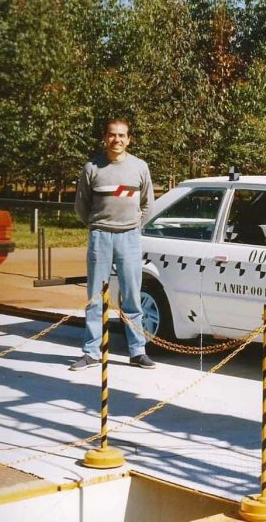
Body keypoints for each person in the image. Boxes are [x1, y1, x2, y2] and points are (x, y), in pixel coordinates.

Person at [71, 117, 156, 370]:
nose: (116, 139)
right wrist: (97, 226)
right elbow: (81, 206)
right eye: (112, 134)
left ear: (129, 139)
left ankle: (137, 351)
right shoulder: (92, 168)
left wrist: (133, 226)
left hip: (129, 237)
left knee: (132, 296)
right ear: (104, 138)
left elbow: (148, 204)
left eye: (121, 135)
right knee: (96, 297)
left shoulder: (140, 167)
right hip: (100, 237)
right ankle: (91, 352)